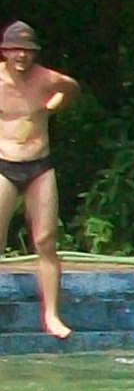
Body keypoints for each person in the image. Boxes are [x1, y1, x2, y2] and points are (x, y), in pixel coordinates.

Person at [0, 21, 76, 338]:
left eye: (28, 51)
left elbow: (72, 88)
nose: (22, 56)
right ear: (5, 51)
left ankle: (52, 315)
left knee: (45, 241)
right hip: (4, 164)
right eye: (16, 50)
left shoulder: (46, 79)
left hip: (39, 165)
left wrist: (55, 104)